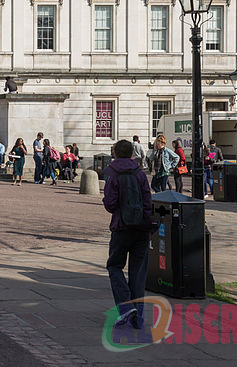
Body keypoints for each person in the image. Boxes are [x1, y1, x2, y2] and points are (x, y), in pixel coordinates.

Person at [102, 138, 154, 330]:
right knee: (138, 274)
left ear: (115, 153)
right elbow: (148, 200)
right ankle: (137, 319)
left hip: (121, 227)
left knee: (114, 266)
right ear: (132, 153)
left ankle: (125, 307)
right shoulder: (140, 173)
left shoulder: (112, 173)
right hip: (141, 228)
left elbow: (110, 203)